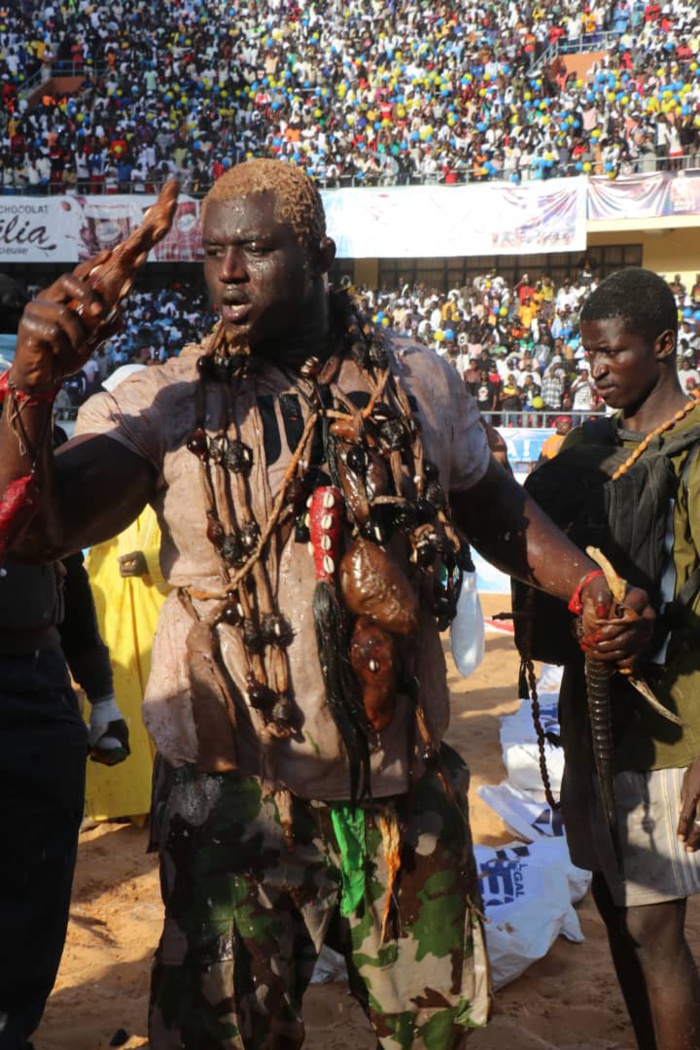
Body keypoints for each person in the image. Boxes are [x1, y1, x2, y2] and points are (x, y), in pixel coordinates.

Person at [0, 160, 651, 1050]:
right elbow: (44, 525)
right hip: (231, 789)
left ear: (319, 257)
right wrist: (31, 387)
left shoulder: (418, 381)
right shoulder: (165, 399)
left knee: (432, 1031)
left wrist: (585, 586)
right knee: (225, 1035)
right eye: (215, 251)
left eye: (256, 249)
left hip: (397, 777)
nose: (228, 270)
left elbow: (498, 508)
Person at [528, 269, 700, 1050]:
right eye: (588, 352)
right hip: (596, 723)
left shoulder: (696, 450)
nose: (596, 368)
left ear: (663, 346)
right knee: (617, 913)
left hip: (675, 731)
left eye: (614, 352)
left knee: (657, 932)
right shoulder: (587, 453)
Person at [0, 275, 130, 1050]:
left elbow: (65, 572)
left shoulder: (27, 431)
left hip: (40, 691)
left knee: (37, 878)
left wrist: (103, 695)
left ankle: (14, 1027)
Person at [82, 364, 169, 826]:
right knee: (116, 702)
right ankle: (119, 802)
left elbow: (195, 549)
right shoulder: (105, 467)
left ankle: (153, 802)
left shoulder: (172, 467)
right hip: (111, 615)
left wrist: (153, 563)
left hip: (153, 616)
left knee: (156, 705)